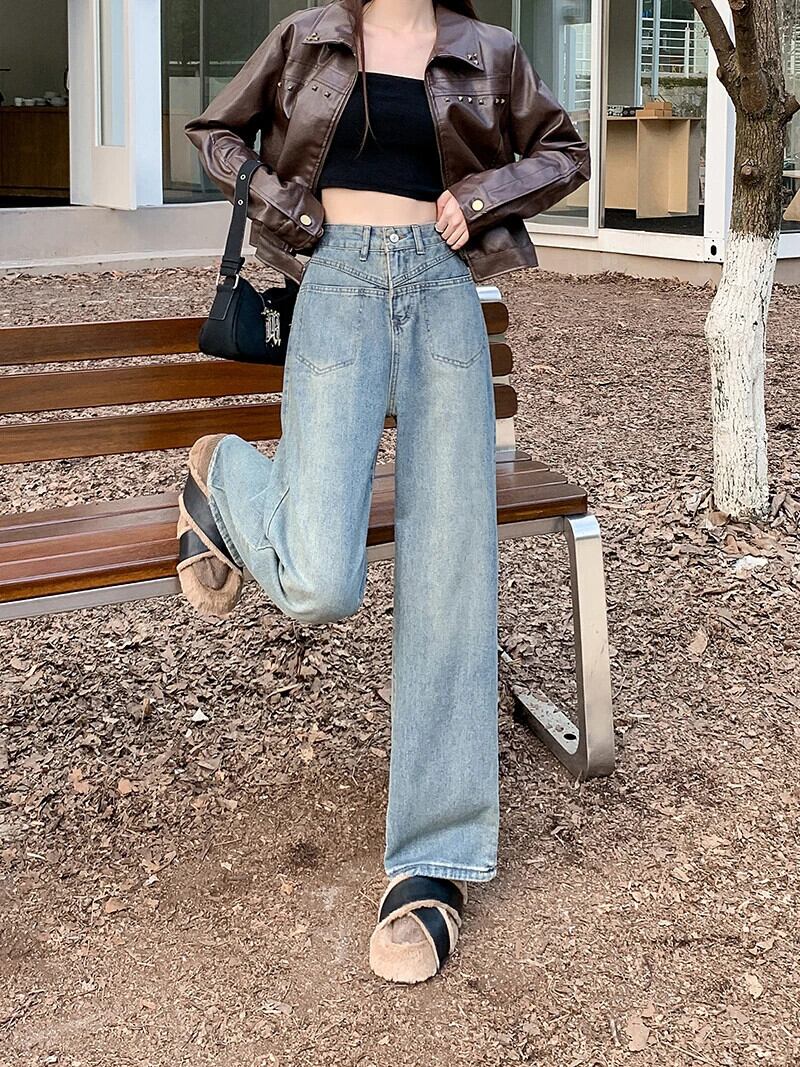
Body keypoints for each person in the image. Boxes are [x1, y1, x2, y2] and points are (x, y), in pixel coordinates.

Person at [178, 0, 590, 984]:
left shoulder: (488, 50)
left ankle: (432, 859)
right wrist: (287, 209)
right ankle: (224, 475)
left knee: (449, 575)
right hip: (337, 287)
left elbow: (563, 152)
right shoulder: (307, 36)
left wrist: (481, 194)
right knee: (320, 577)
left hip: (443, 291)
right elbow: (216, 134)